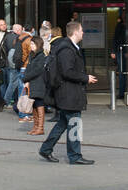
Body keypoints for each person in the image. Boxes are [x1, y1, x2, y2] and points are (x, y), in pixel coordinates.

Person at [38, 20, 96, 165]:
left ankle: (46, 149)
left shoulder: (69, 47)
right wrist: (85, 78)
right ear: (75, 32)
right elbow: (67, 71)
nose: (83, 32)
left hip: (68, 93)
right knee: (75, 123)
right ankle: (75, 156)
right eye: (81, 30)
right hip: (69, 94)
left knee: (63, 123)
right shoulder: (66, 49)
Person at [20, 33, 49, 135]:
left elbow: (37, 70)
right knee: (35, 105)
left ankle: (40, 128)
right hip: (33, 83)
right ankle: (35, 126)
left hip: (39, 83)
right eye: (31, 44)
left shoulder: (41, 56)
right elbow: (28, 69)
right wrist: (26, 80)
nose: (31, 46)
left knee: (39, 103)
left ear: (38, 44)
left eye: (33, 44)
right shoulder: (32, 55)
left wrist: (25, 78)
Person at [1, 22, 25, 111]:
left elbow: (3, 49)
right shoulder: (18, 38)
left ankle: (9, 100)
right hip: (16, 63)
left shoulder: (7, 37)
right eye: (21, 30)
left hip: (9, 62)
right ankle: (6, 101)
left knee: (12, 82)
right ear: (18, 30)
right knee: (14, 83)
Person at [111, 15, 128, 100]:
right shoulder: (121, 26)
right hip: (121, 51)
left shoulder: (123, 26)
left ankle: (123, 92)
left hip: (121, 51)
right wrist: (114, 51)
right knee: (122, 72)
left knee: (123, 72)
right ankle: (122, 92)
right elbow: (116, 39)